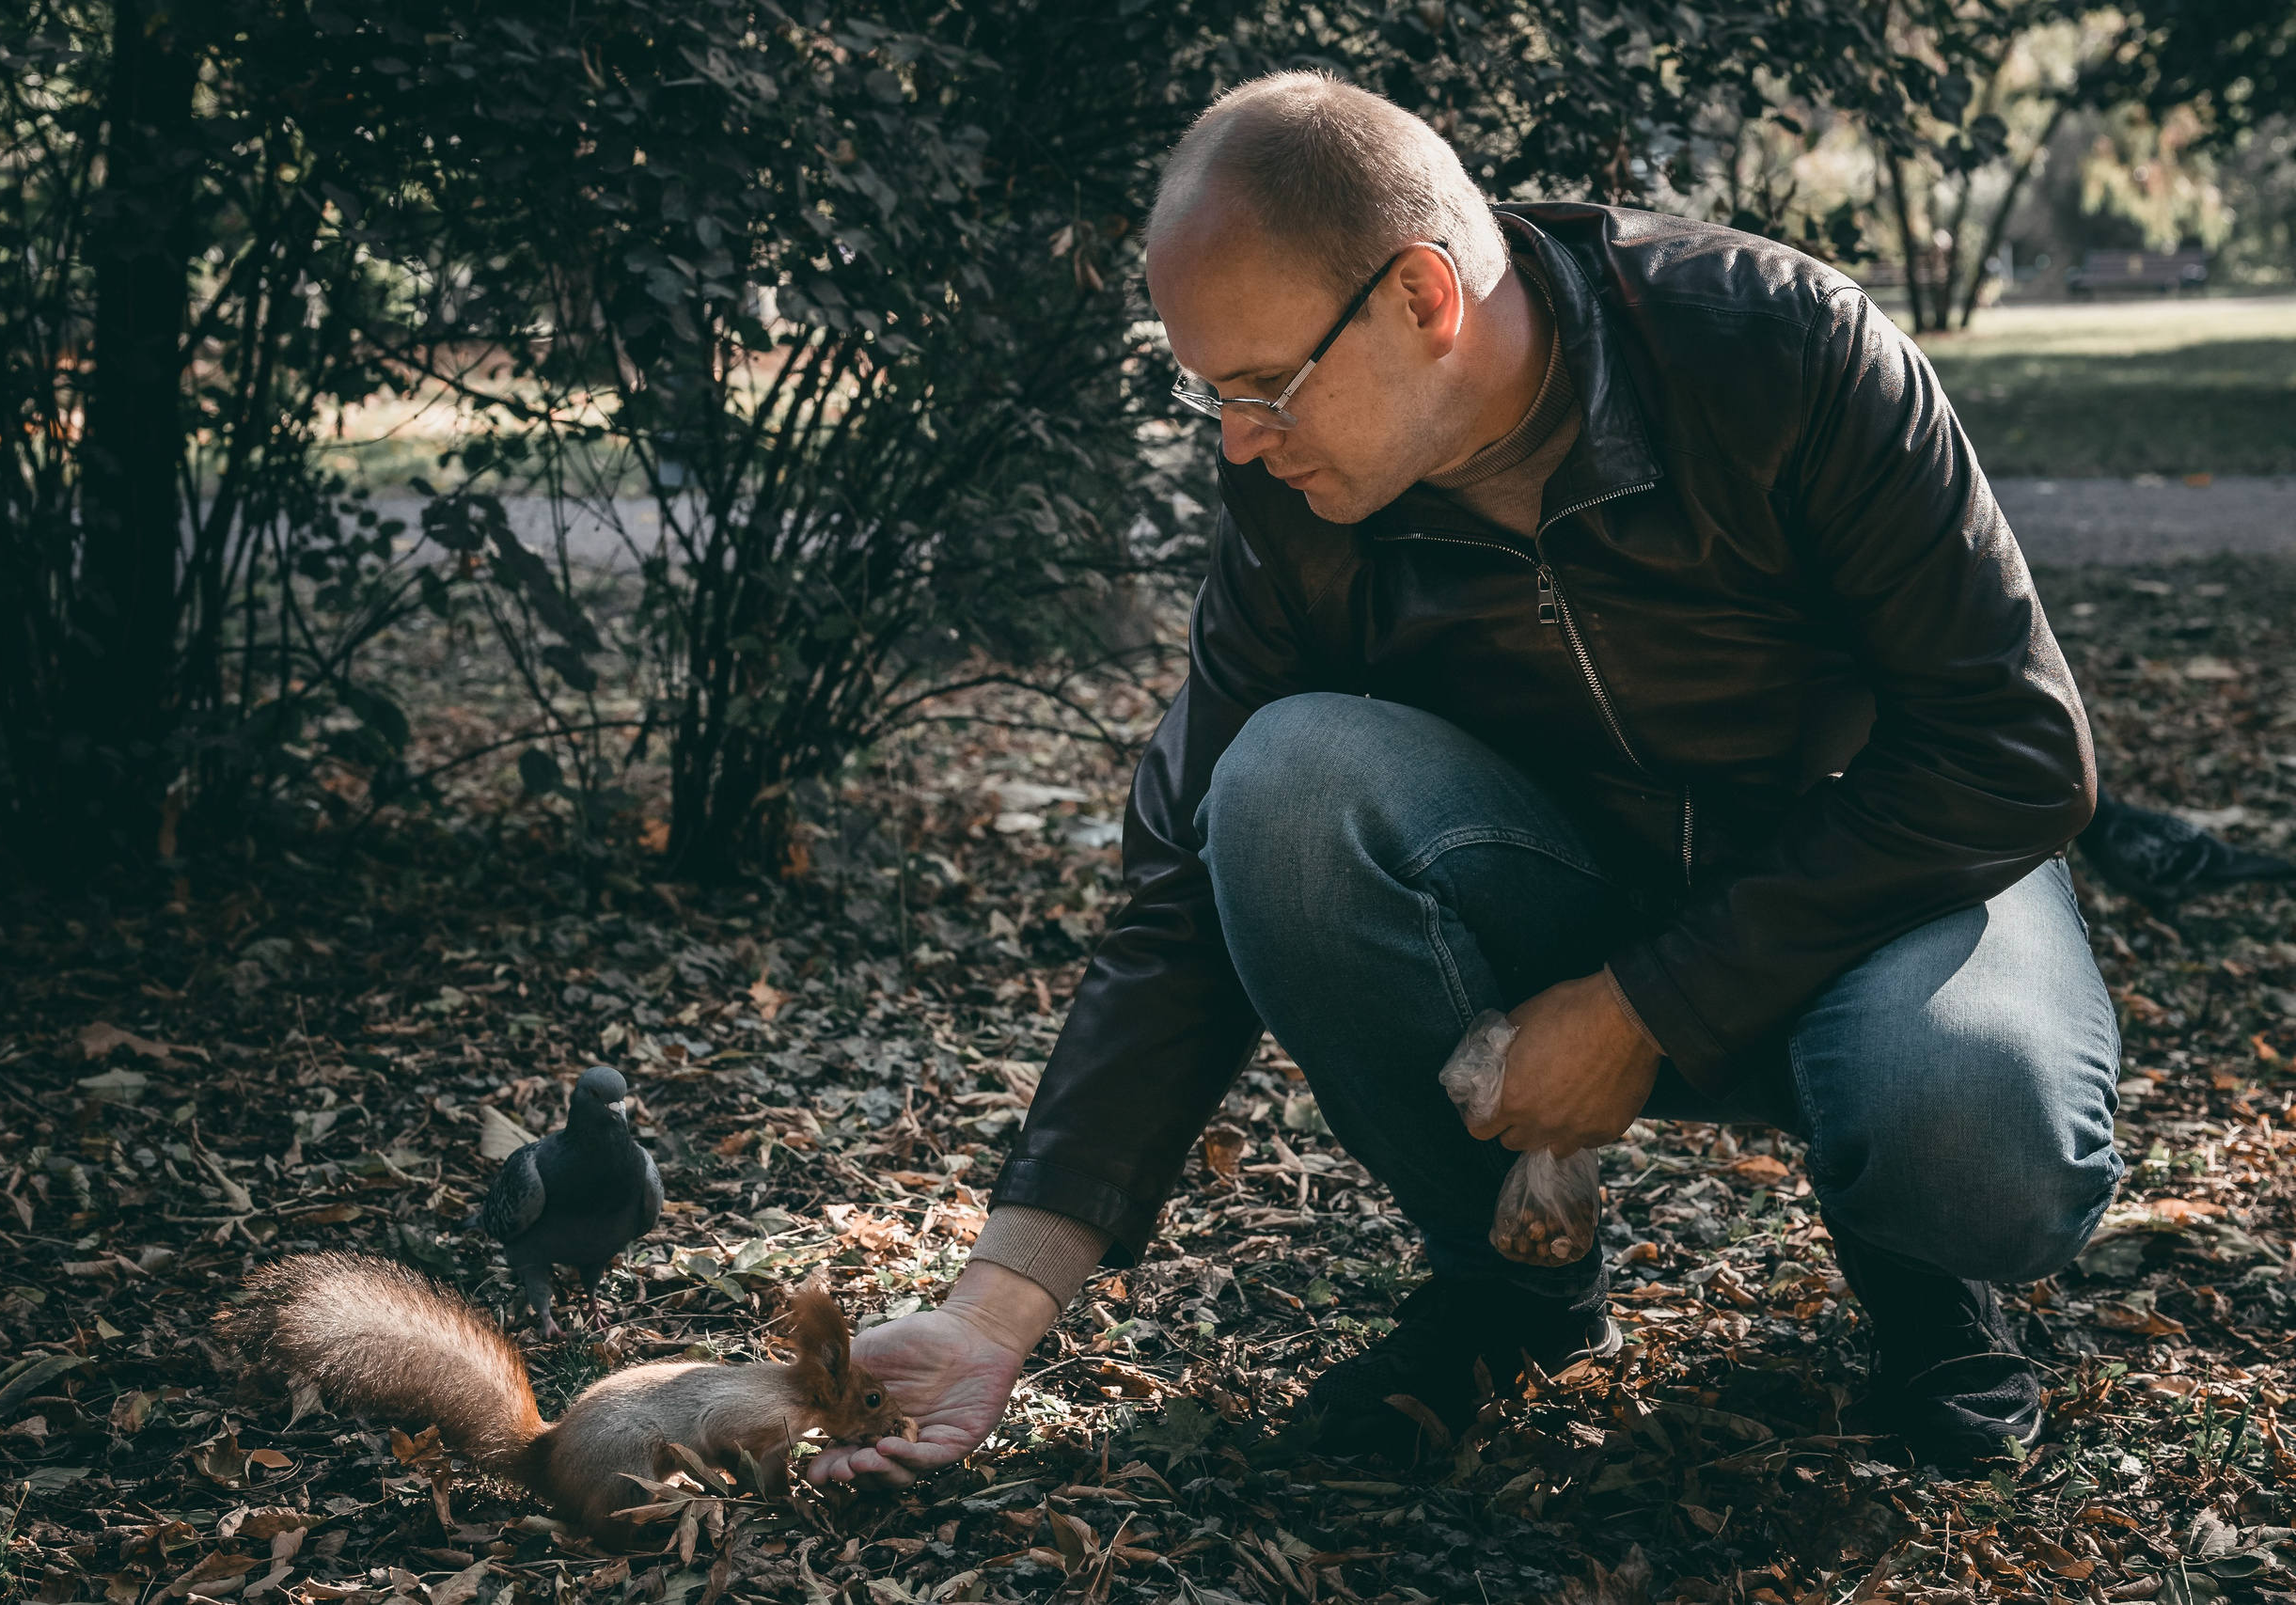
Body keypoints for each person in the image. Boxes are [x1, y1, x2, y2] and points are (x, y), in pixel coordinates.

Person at [807, 70, 2120, 1484]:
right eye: (1212, 396)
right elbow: (1186, 882)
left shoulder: (1777, 349)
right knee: (1280, 785)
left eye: (1263, 386)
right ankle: (1512, 1286)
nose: (1238, 439)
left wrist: (1648, 1007)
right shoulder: (1293, 495)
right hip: (1559, 886)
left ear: (1424, 298)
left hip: (1873, 900)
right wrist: (993, 1306)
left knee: (1976, 1131)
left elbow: (2015, 749)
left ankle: (1925, 1282)